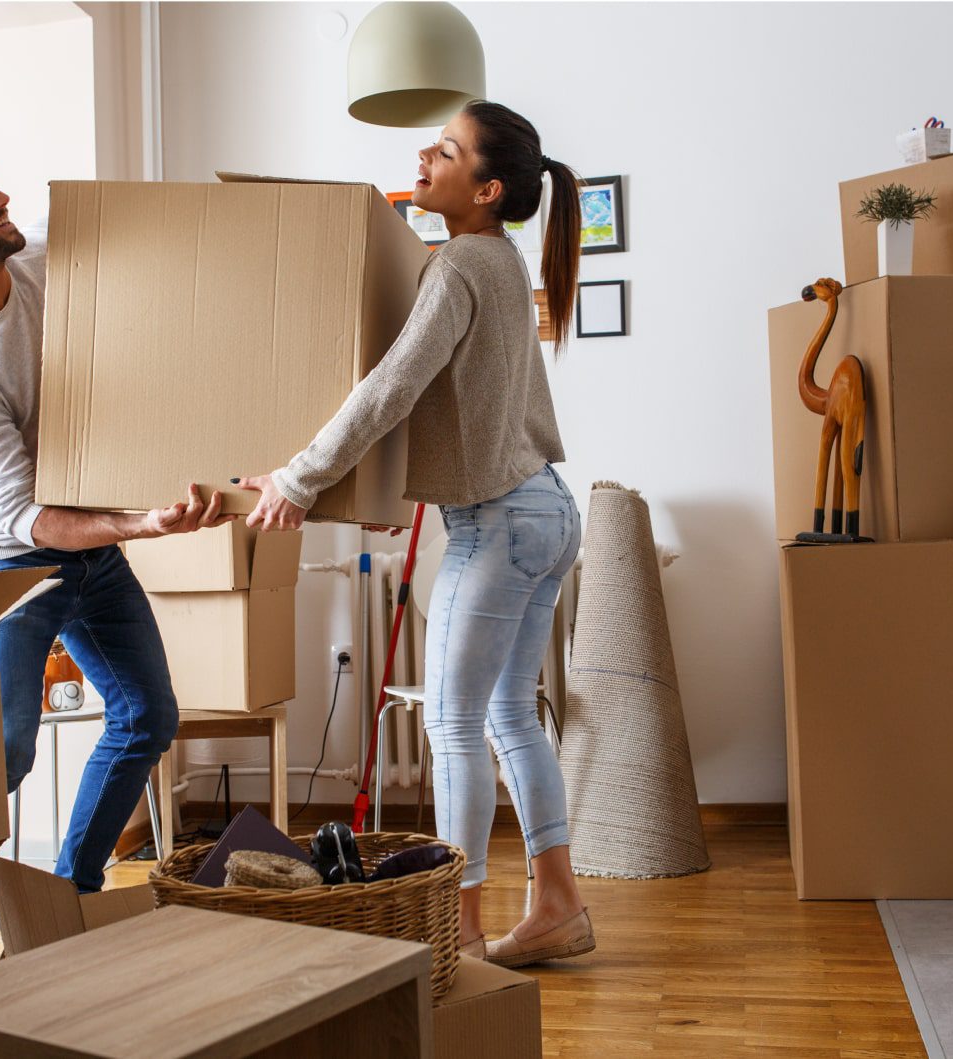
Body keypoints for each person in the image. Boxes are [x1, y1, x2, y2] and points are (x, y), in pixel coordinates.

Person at [235, 101, 594, 968]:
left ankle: (460, 934)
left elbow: (389, 388)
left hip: (500, 523)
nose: (423, 157)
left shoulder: (461, 263)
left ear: (488, 187)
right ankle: (557, 908)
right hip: (544, 510)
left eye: (445, 150)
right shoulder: (496, 260)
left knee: (456, 727)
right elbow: (443, 408)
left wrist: (299, 477)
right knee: (510, 713)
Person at [0, 125, 229, 982]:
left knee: (146, 713)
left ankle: (71, 894)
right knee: (1, 754)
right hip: (7, 562)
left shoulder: (43, 266)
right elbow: (28, 517)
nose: (0, 198)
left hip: (88, 542)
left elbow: (146, 268)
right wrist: (140, 524)